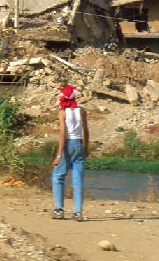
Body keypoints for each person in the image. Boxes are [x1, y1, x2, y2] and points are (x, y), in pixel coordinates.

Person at [51, 85, 89, 221]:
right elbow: (86, 131)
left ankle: (59, 209)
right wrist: (86, 147)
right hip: (79, 144)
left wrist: (59, 155)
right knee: (78, 178)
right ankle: (77, 212)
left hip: (67, 145)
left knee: (58, 176)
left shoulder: (63, 113)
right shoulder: (82, 111)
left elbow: (62, 134)